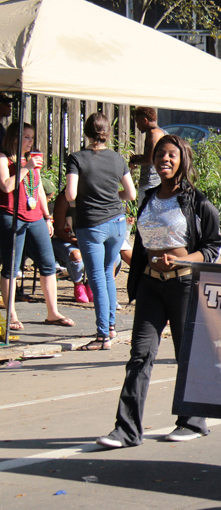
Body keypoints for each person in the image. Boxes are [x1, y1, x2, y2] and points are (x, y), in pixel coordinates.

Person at [96, 135, 221, 449]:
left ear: (182, 160)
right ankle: (126, 430)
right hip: (151, 286)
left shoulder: (198, 201)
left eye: (171, 155)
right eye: (159, 155)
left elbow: (213, 247)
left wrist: (182, 259)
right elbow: (142, 242)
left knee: (186, 356)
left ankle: (192, 422)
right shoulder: (149, 197)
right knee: (139, 356)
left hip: (183, 286)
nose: (164, 160)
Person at [65, 112, 137, 349]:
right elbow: (131, 194)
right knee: (107, 273)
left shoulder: (76, 158)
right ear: (107, 133)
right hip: (117, 222)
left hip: (91, 223)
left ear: (86, 132)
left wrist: (82, 201)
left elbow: (71, 194)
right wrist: (111, 196)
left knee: (96, 277)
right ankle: (112, 327)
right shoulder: (118, 159)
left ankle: (102, 336)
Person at [0, 124, 75, 332]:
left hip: (35, 217)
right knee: (11, 267)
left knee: (48, 263)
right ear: (14, 138)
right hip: (12, 216)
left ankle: (53, 312)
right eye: (25, 137)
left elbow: (39, 187)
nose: (30, 141)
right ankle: (11, 314)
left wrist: (47, 216)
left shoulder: (30, 160)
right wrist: (26, 167)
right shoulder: (4, 158)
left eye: (31, 137)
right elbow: (6, 186)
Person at [130, 107, 165, 205]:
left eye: (138, 122)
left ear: (145, 120)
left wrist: (134, 162)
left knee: (145, 217)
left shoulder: (153, 134)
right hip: (157, 182)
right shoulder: (161, 132)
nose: (137, 126)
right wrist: (139, 157)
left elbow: (150, 159)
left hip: (150, 183)